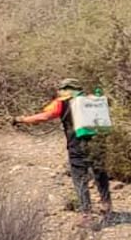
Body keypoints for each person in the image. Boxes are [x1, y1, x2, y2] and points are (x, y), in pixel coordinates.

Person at [15, 79, 113, 222]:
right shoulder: (91, 99)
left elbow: (45, 116)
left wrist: (22, 119)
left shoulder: (62, 102)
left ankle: (86, 214)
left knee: (79, 177)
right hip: (98, 143)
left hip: (77, 145)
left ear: (65, 89)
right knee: (100, 172)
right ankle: (106, 205)